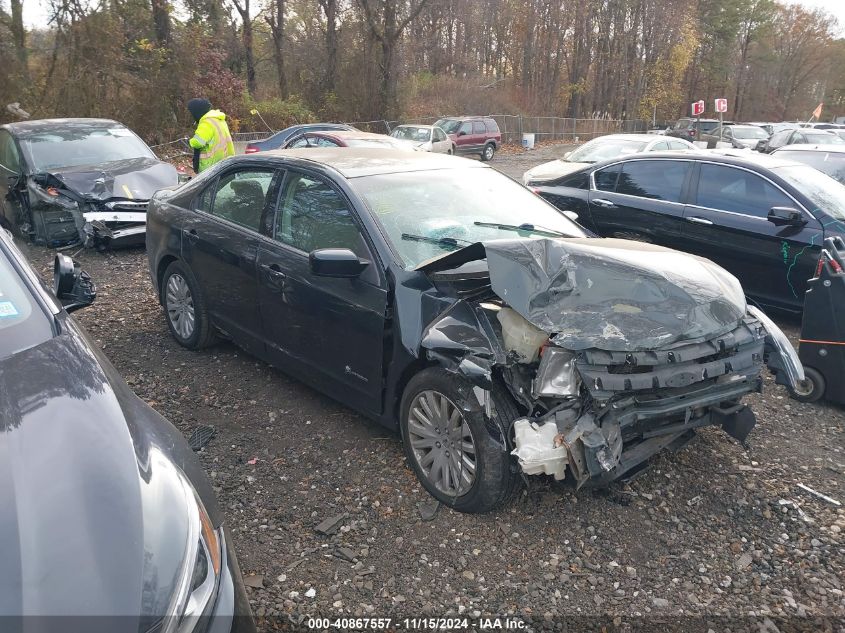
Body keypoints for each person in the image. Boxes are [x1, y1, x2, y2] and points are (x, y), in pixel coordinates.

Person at [187, 98, 235, 173]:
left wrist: (190, 141)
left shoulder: (206, 123)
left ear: (197, 111)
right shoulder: (219, 120)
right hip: (225, 164)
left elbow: (198, 142)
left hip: (210, 168)